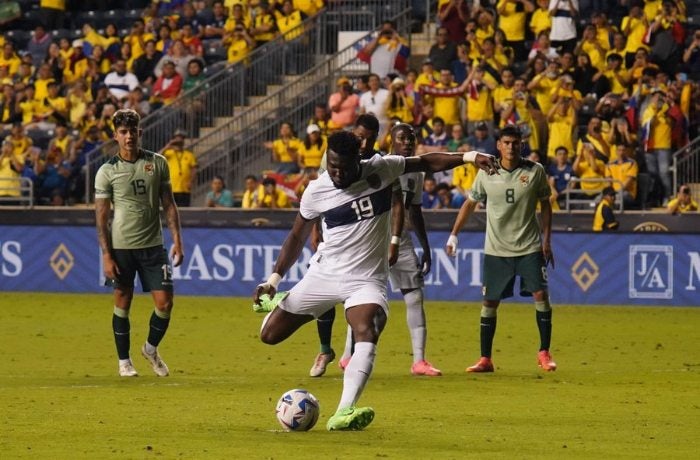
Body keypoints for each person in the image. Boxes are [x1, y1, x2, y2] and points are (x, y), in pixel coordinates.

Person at [253, 130, 497, 431]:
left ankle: (344, 411)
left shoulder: (382, 168)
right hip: (324, 275)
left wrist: (470, 157)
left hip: (365, 280)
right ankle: (284, 299)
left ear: (358, 160)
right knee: (269, 335)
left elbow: (426, 162)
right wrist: (273, 281)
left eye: (343, 167)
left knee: (366, 329)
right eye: (332, 166)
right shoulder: (317, 190)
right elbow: (296, 236)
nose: (337, 173)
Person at [445, 125, 557, 373]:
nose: (511, 147)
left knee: (541, 295)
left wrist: (547, 240)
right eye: (506, 142)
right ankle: (485, 359)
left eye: (515, 143)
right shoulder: (487, 171)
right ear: (498, 145)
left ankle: (544, 352)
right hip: (496, 249)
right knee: (489, 301)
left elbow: (545, 204)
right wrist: (453, 234)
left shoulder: (535, 171)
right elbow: (470, 203)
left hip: (529, 247)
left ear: (521, 145)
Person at [94, 108, 184, 377]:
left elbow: (169, 204)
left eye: (132, 131)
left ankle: (150, 349)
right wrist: (106, 254)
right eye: (123, 132)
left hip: (153, 245)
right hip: (121, 247)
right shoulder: (107, 171)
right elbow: (101, 217)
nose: (129, 136)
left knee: (165, 303)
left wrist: (177, 240)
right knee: (122, 301)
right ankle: (124, 362)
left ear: (140, 132)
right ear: (115, 136)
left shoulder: (158, 163)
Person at [160, 129, 198, 207]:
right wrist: (168, 146)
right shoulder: (168, 153)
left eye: (181, 139)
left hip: (185, 189)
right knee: (170, 209)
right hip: (170, 188)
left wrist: (191, 182)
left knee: (184, 210)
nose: (179, 141)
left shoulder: (189, 155)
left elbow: (194, 170)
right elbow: (157, 157)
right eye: (177, 139)